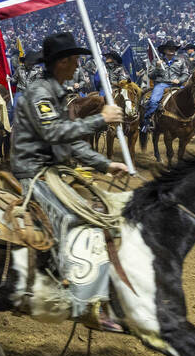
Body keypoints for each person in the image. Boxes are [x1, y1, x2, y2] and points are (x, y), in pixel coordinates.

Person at [12, 31, 128, 323]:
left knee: (98, 211)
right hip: (33, 171)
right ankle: (68, 291)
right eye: (75, 59)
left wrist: (104, 165)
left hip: (52, 170)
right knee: (67, 218)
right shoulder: (40, 92)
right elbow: (53, 133)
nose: (78, 64)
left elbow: (71, 144)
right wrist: (100, 119)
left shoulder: (58, 92)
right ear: (61, 62)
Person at [142, 40, 188, 132]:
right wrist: (158, 67)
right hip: (161, 84)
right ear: (164, 50)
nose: (172, 50)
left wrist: (179, 80)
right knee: (154, 101)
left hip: (177, 85)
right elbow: (151, 75)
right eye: (169, 48)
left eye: (174, 48)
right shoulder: (157, 61)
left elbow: (185, 74)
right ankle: (147, 121)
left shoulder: (181, 61)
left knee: (191, 98)